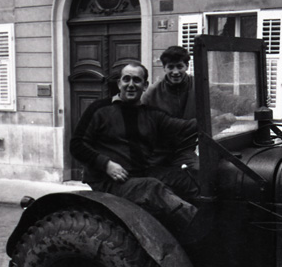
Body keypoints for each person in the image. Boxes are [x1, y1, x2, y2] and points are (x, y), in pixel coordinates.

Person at [70, 63, 201, 239]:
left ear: (145, 86)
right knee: (151, 187)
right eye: (126, 79)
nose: (131, 84)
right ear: (119, 84)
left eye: (137, 80)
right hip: (108, 181)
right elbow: (77, 145)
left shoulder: (151, 114)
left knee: (189, 178)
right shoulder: (99, 109)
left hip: (140, 173)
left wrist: (214, 119)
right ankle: (200, 227)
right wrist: (106, 164)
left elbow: (183, 128)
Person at [141, 46, 198, 168]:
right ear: (164, 68)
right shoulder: (152, 92)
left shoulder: (198, 86)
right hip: (158, 152)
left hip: (185, 151)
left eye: (179, 66)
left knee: (198, 172)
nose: (175, 72)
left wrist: (243, 104)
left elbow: (222, 98)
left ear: (187, 66)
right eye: (170, 67)